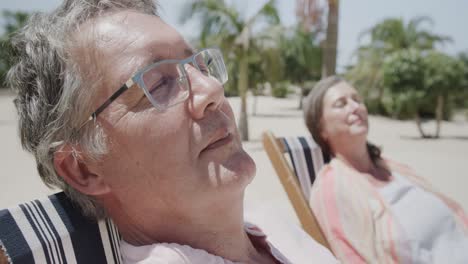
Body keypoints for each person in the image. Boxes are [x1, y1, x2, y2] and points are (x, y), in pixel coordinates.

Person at [7, 0, 338, 263]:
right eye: (158, 82)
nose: (211, 89)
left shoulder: (269, 222)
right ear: (84, 167)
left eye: (199, 66)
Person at [303, 75, 468, 263]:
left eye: (357, 100)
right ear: (321, 128)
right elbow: (350, 256)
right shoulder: (330, 187)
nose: (355, 107)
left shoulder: (395, 169)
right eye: (341, 104)